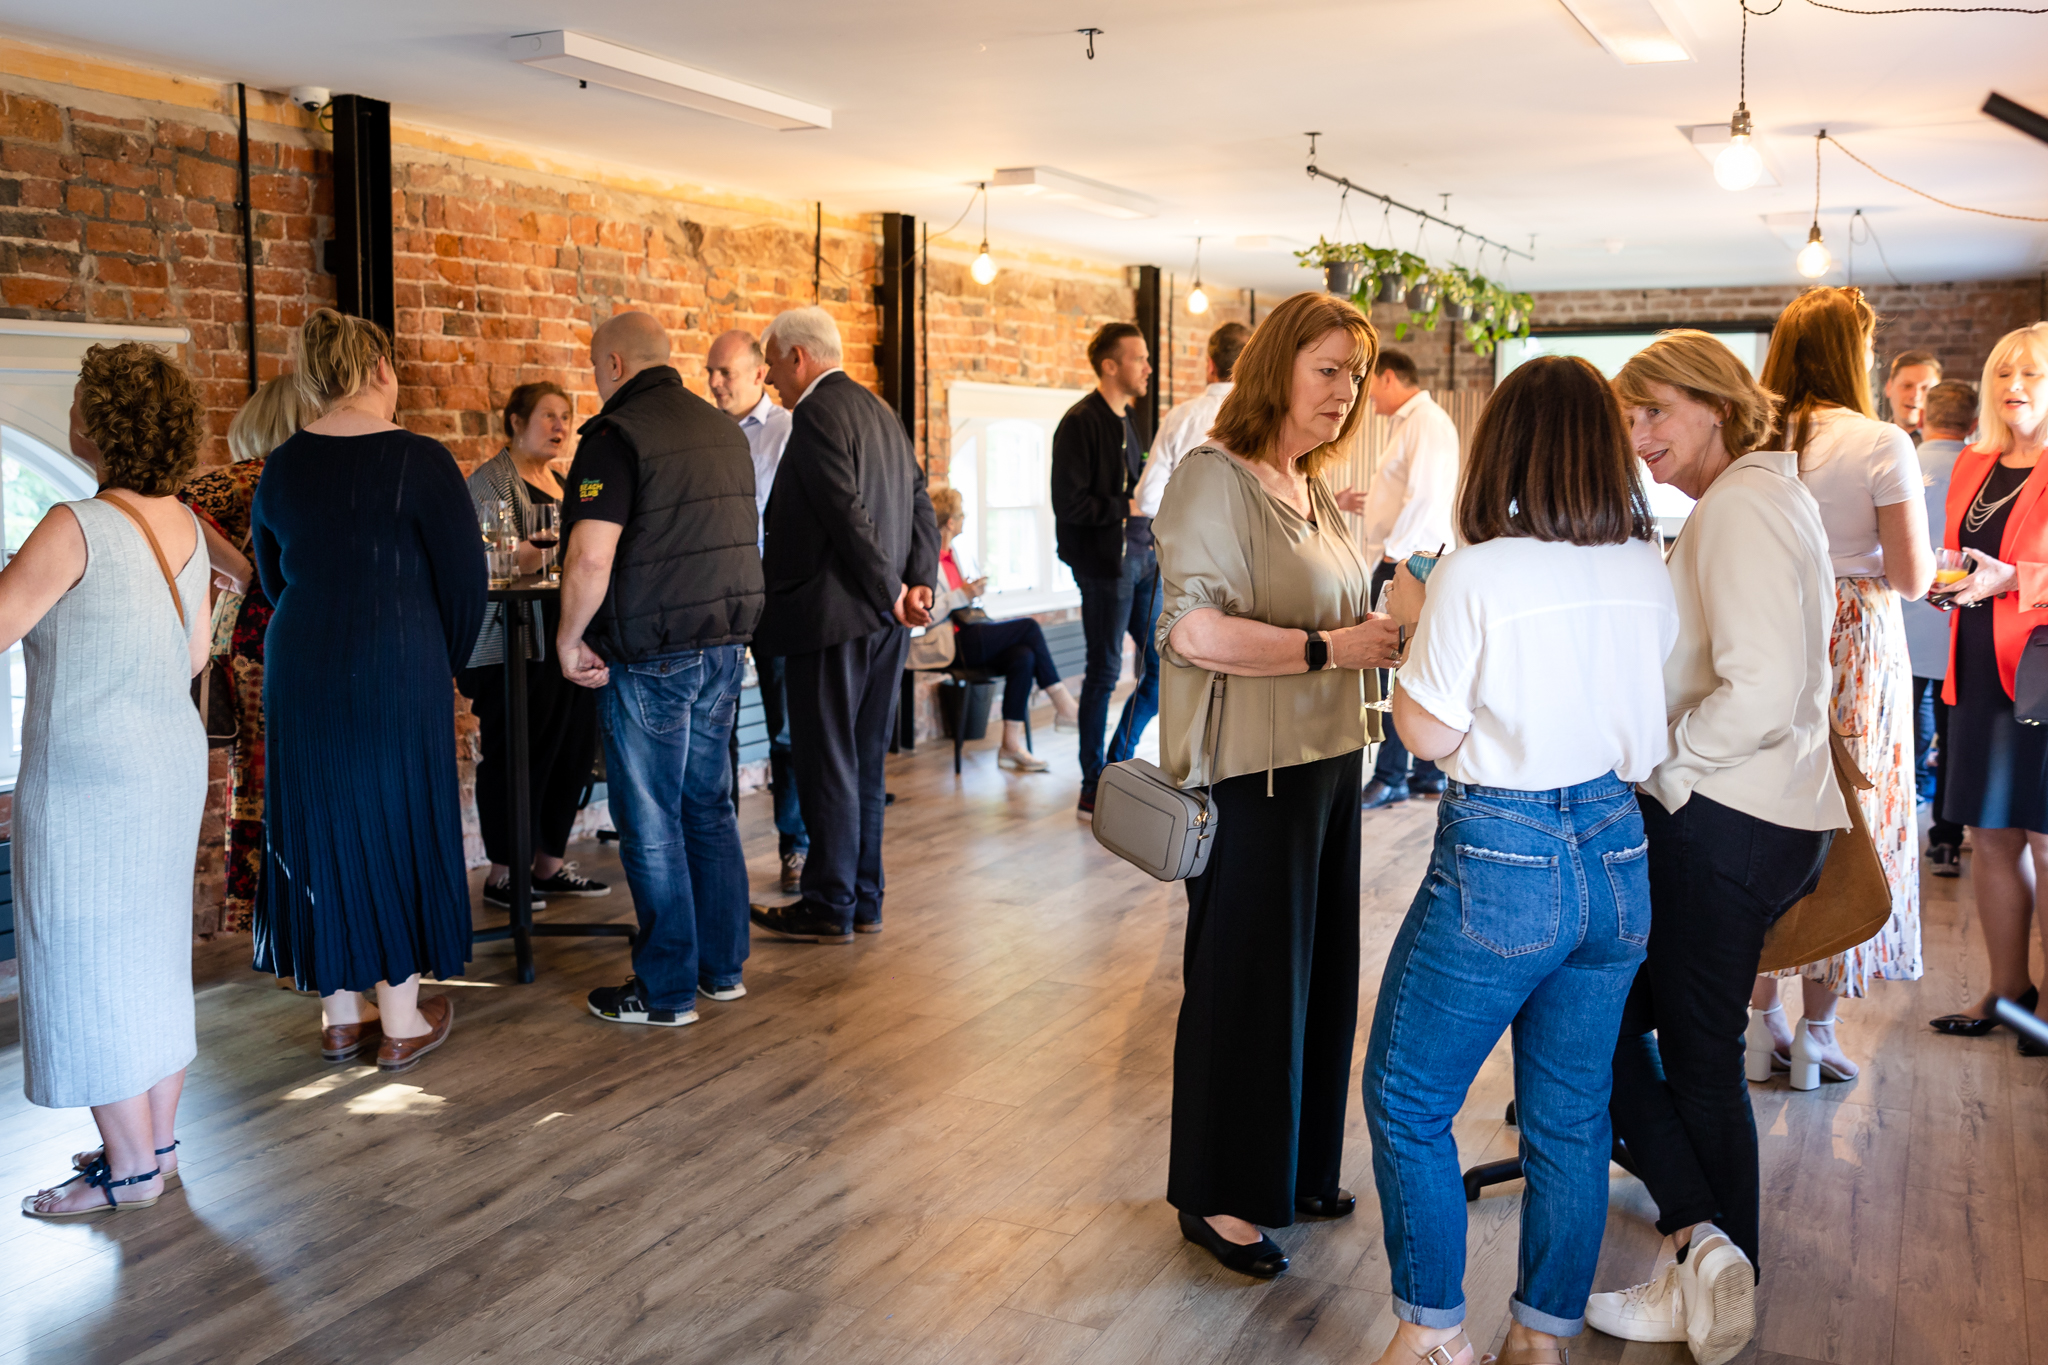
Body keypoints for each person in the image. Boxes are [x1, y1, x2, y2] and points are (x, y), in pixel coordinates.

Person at [1363, 355, 1678, 1365]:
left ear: (1504, 446)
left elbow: (1427, 736)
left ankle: (1428, 1332)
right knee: (1570, 1116)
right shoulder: (1644, 565)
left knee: (1407, 1097)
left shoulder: (1476, 570)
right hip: (1617, 851)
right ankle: (1538, 1336)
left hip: (1503, 851)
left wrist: (1413, 643)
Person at [1589, 330, 1847, 1364]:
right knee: (1614, 1023)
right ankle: (1703, 1257)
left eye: (1653, 411)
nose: (1637, 436)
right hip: (1767, 815)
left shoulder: (1738, 506)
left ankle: (1708, 1270)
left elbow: (1761, 685)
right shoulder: (1759, 496)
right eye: (1627, 418)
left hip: (1729, 819)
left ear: (1714, 403)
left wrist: (1666, 772)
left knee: (1686, 1058)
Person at [1152, 291, 1398, 1283]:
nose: (1344, 392)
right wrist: (1326, 646)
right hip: (1249, 773)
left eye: (1354, 373)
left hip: (1325, 764)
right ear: (1277, 372)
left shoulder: (1305, 486)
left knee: (1312, 981)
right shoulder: (1215, 479)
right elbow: (1191, 631)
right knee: (1242, 986)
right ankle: (1216, 1190)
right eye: (1327, 370)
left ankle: (1288, 1166)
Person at [252, 308, 486, 1072]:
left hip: (303, 663)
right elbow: (464, 584)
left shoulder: (282, 465)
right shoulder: (420, 459)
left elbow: (270, 574)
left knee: (320, 821)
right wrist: (440, 661)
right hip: (396, 660)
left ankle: (340, 1016)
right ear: (381, 370)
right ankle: (402, 1019)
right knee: (398, 820)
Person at [12, 343, 211, 1217]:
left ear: (97, 423)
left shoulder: (75, 524)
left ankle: (127, 1173)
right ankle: (155, 1148)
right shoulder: (191, 527)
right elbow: (194, 654)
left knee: (85, 961)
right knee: (151, 958)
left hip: (90, 778)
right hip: (170, 762)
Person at [1748, 287, 1932, 1087]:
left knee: (1768, 820)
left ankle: (1761, 1023)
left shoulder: (1757, 436)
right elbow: (1916, 576)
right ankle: (1818, 1033)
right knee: (1856, 822)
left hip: (1771, 630)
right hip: (1856, 636)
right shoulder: (1881, 441)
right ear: (1851, 353)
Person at [558, 311, 763, 1023]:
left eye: (593, 367)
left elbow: (589, 556)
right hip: (725, 647)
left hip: (651, 655)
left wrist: (568, 637)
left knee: (649, 819)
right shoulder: (723, 430)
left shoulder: (616, 438)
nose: (593, 380)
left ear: (614, 364)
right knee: (708, 806)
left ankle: (668, 990)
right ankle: (722, 967)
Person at [748, 306, 938, 942]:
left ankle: (829, 904)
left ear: (799, 356)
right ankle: (864, 898)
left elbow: (843, 511)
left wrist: (893, 592)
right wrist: (918, 588)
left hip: (832, 618)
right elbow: (919, 503)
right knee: (861, 762)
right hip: (883, 624)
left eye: (773, 363)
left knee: (826, 761)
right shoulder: (881, 410)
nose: (772, 379)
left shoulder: (818, 412)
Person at [1925, 323, 2048, 1049]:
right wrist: (1952, 585)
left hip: (2040, 667)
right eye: (2004, 373)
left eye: (2030, 373)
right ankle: (2008, 993)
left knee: (2044, 837)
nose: (2014, 387)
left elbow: (2015, 569)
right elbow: (1956, 551)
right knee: (1990, 834)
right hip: (1976, 665)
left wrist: (2016, 581)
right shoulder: (1975, 463)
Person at [457, 382, 609, 912]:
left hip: (563, 637)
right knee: (515, 754)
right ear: (515, 421)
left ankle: (547, 863)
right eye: (547, 416)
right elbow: (486, 569)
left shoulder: (564, 483)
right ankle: (503, 872)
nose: (559, 426)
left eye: (565, 416)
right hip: (515, 645)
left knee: (569, 750)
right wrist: (546, 550)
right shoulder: (490, 484)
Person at [178, 373, 308, 933]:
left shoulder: (266, 478)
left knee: (254, 790)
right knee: (280, 787)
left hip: (244, 641)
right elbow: (178, 504)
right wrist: (240, 566)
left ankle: (268, 925)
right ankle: (290, 927)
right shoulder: (266, 476)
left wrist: (234, 565)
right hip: (271, 643)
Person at [1338, 349, 1460, 811]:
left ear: (1388, 377)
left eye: (1365, 383)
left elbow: (1425, 497)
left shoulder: (1425, 420)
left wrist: (1395, 557)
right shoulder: (1409, 421)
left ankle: (1391, 776)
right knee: (1408, 659)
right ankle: (1424, 774)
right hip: (1402, 556)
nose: (1361, 396)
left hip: (1408, 562)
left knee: (1392, 662)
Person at [708, 328, 807, 892]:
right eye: (709, 373)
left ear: (759, 373)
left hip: (774, 594)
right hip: (718, 594)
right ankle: (720, 852)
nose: (715, 383)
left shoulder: (789, 431)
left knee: (786, 728)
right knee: (716, 727)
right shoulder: (703, 434)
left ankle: (796, 846)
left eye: (725, 372)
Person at [1053, 321, 1159, 817]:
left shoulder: (1129, 418)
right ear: (1110, 366)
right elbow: (1068, 504)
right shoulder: (1080, 422)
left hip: (1143, 562)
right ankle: (1092, 782)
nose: (1147, 368)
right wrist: (1128, 506)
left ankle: (1118, 762)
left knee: (1162, 667)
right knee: (1104, 671)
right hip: (1104, 566)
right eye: (1139, 358)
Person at [927, 486, 1081, 770]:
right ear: (951, 521)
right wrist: (962, 593)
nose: (964, 519)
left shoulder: (955, 555)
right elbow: (929, 613)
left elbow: (963, 601)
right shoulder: (929, 560)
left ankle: (1010, 745)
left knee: (1024, 656)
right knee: (1029, 627)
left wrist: (971, 590)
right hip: (952, 642)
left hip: (971, 632)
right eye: (962, 515)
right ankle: (1063, 704)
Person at [1902, 379, 1978, 875]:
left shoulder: (1904, 461)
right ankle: (1946, 840)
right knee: (1952, 738)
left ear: (1924, 417)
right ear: (1973, 423)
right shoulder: (1980, 470)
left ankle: (1899, 823)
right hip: (1958, 626)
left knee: (1904, 731)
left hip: (1905, 622)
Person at [1132, 321, 1249, 518]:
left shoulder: (1180, 417)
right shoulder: (1268, 417)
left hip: (1188, 543)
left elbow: (1148, 498)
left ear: (1211, 365)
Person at [1882, 348, 1942, 440]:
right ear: (1889, 387)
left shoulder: (1953, 447)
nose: (1915, 395)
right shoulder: (1873, 439)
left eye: (1926, 389)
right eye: (1907, 386)